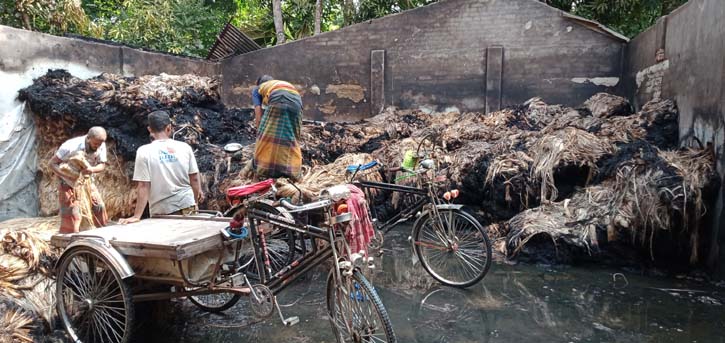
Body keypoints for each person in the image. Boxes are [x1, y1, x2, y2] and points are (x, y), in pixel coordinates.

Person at [119, 111, 204, 224]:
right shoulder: (185, 147)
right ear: (169, 128)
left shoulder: (144, 151)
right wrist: (194, 202)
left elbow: (143, 185)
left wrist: (137, 216)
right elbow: (194, 178)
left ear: (150, 129)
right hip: (187, 205)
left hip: (161, 210)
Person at [49, 126, 109, 233]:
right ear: (88, 138)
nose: (98, 146)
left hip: (86, 181)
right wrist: (67, 175)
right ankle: (70, 238)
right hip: (67, 182)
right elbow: (52, 164)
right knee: (72, 212)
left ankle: (104, 232)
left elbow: (102, 165)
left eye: (100, 144)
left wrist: (92, 169)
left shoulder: (101, 144)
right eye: (95, 144)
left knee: (99, 206)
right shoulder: (70, 146)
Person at [251, 75, 303, 180]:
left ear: (259, 83)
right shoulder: (277, 85)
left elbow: (258, 111)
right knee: (290, 135)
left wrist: (259, 131)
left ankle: (262, 168)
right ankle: (294, 171)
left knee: (266, 136)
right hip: (297, 102)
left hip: (279, 98)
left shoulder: (257, 89)